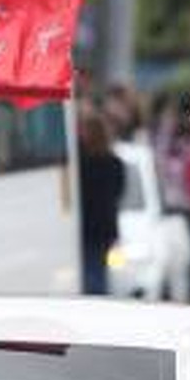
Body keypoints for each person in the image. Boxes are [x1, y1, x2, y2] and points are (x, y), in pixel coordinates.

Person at [76, 103, 126, 295]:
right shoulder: (114, 163)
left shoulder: (83, 163)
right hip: (106, 226)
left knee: (90, 272)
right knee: (99, 271)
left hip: (87, 225)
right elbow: (119, 193)